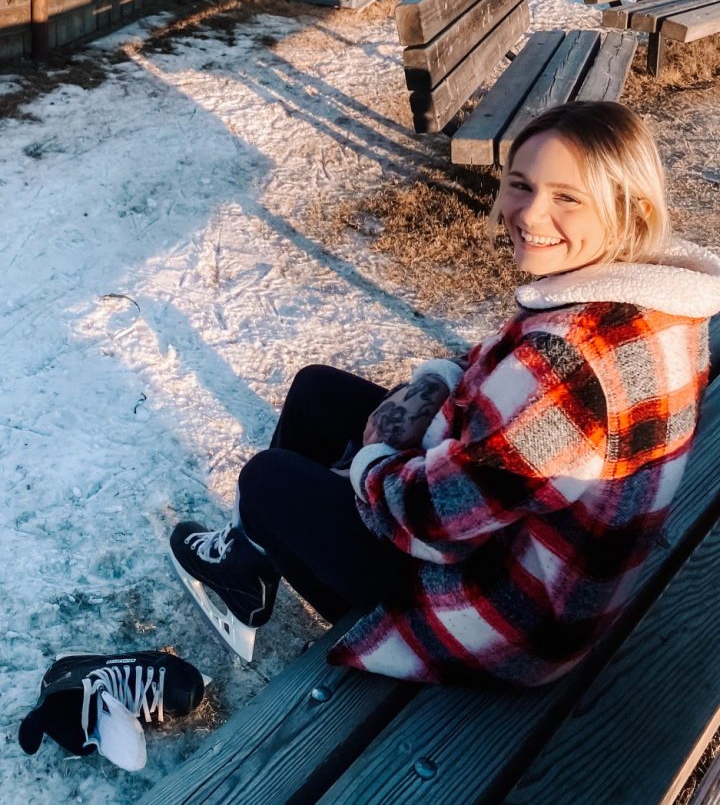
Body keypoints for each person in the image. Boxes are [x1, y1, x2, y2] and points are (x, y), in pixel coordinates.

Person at [170, 101, 720, 687]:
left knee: (268, 481)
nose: (531, 213)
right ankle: (251, 558)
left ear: (629, 208)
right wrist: (434, 381)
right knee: (316, 391)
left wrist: (374, 461)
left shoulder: (572, 358)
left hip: (506, 620)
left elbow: (435, 523)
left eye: (567, 197)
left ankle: (265, 551)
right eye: (520, 184)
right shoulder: (643, 296)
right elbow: (504, 370)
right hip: (531, 555)